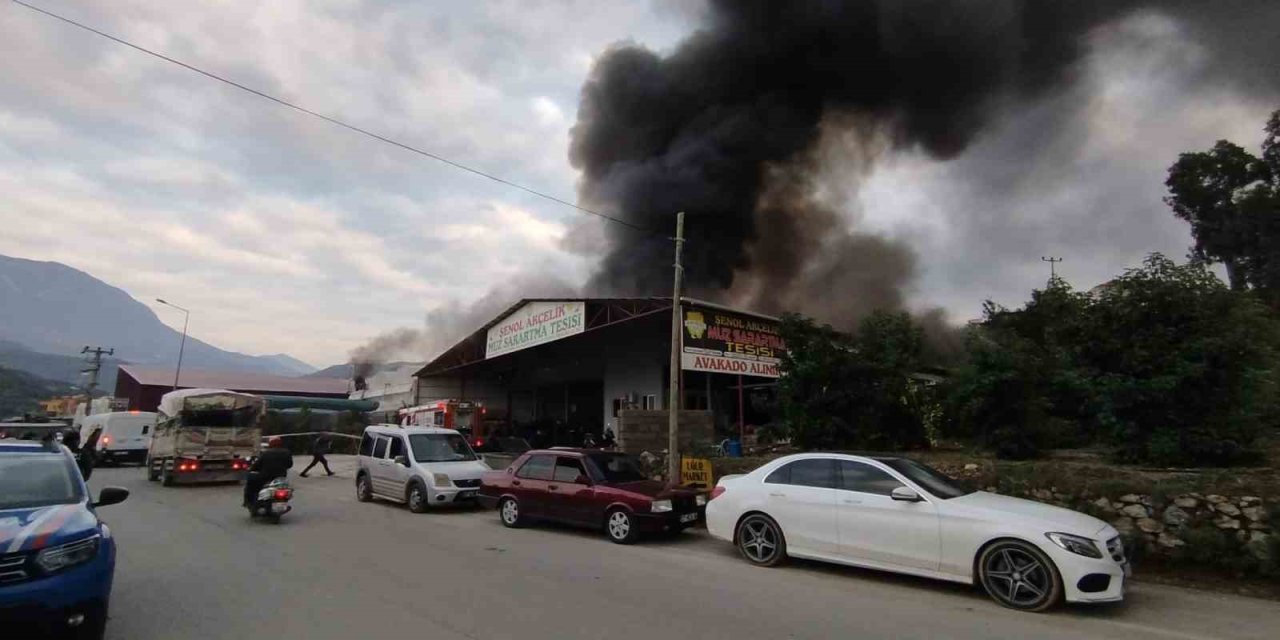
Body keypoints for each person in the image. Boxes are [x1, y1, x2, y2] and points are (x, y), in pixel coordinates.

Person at [244, 436, 293, 507]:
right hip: (281, 477)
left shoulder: (266, 453)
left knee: (250, 481)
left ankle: (249, 501)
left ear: (270, 444)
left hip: (265, 477)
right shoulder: (287, 452)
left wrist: (251, 470)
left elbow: (256, 465)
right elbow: (290, 465)